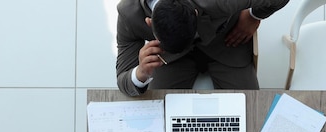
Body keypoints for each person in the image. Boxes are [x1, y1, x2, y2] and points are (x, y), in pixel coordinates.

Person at [116, 0, 289, 96]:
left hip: (228, 42)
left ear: (196, 13)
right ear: (149, 22)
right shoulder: (129, 15)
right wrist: (140, 73)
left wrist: (253, 15)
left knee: (248, 108)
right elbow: (123, 79)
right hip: (169, 59)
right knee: (157, 117)